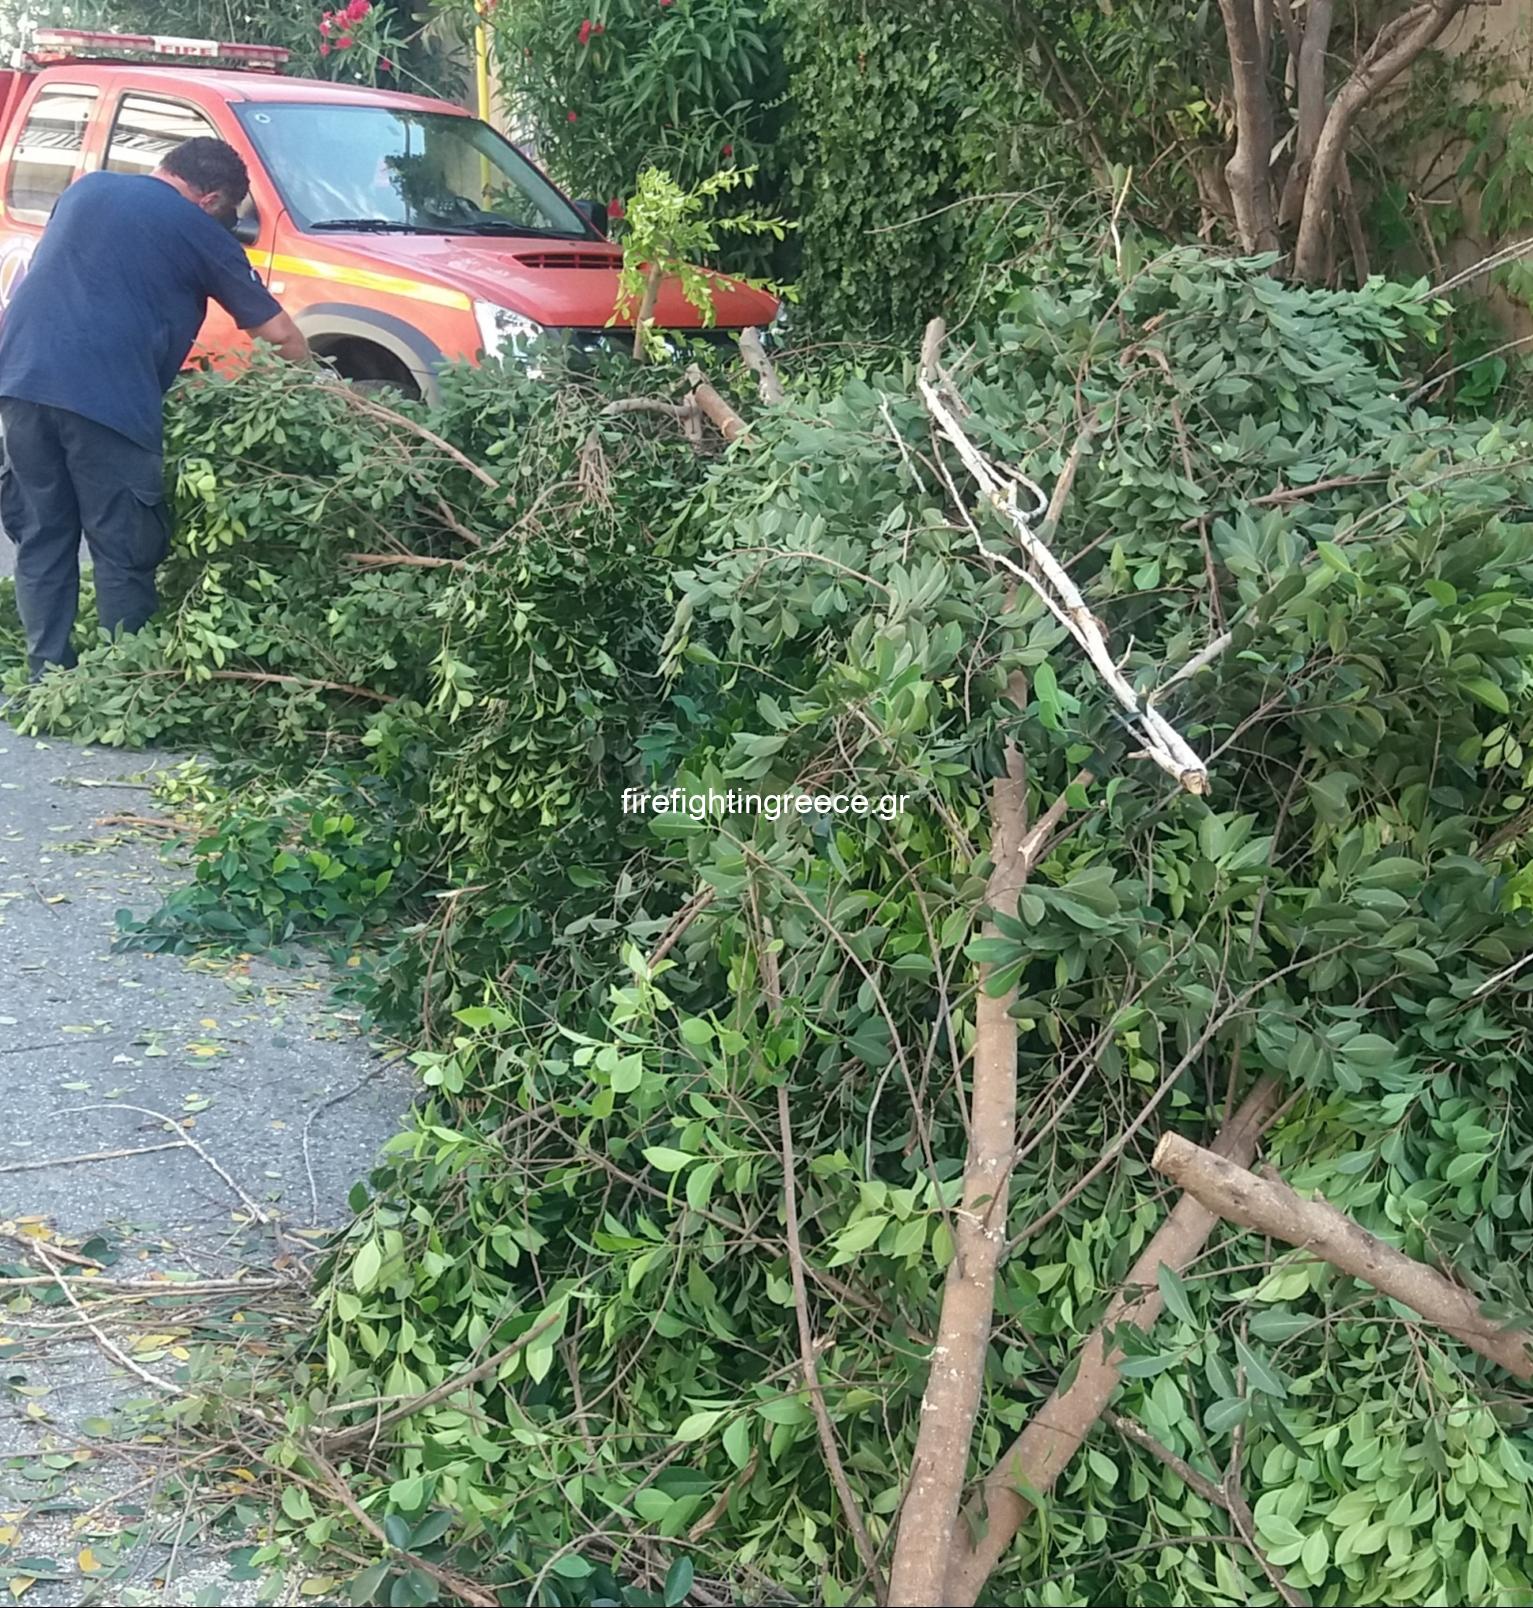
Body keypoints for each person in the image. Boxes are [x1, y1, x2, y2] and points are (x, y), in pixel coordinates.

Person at [0, 137, 309, 680]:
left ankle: (44, 676)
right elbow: (279, 333)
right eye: (227, 214)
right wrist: (324, 391)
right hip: (107, 396)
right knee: (122, 546)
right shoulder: (200, 230)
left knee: (44, 535)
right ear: (211, 199)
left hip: (20, 381)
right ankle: (124, 680)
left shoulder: (86, 189)